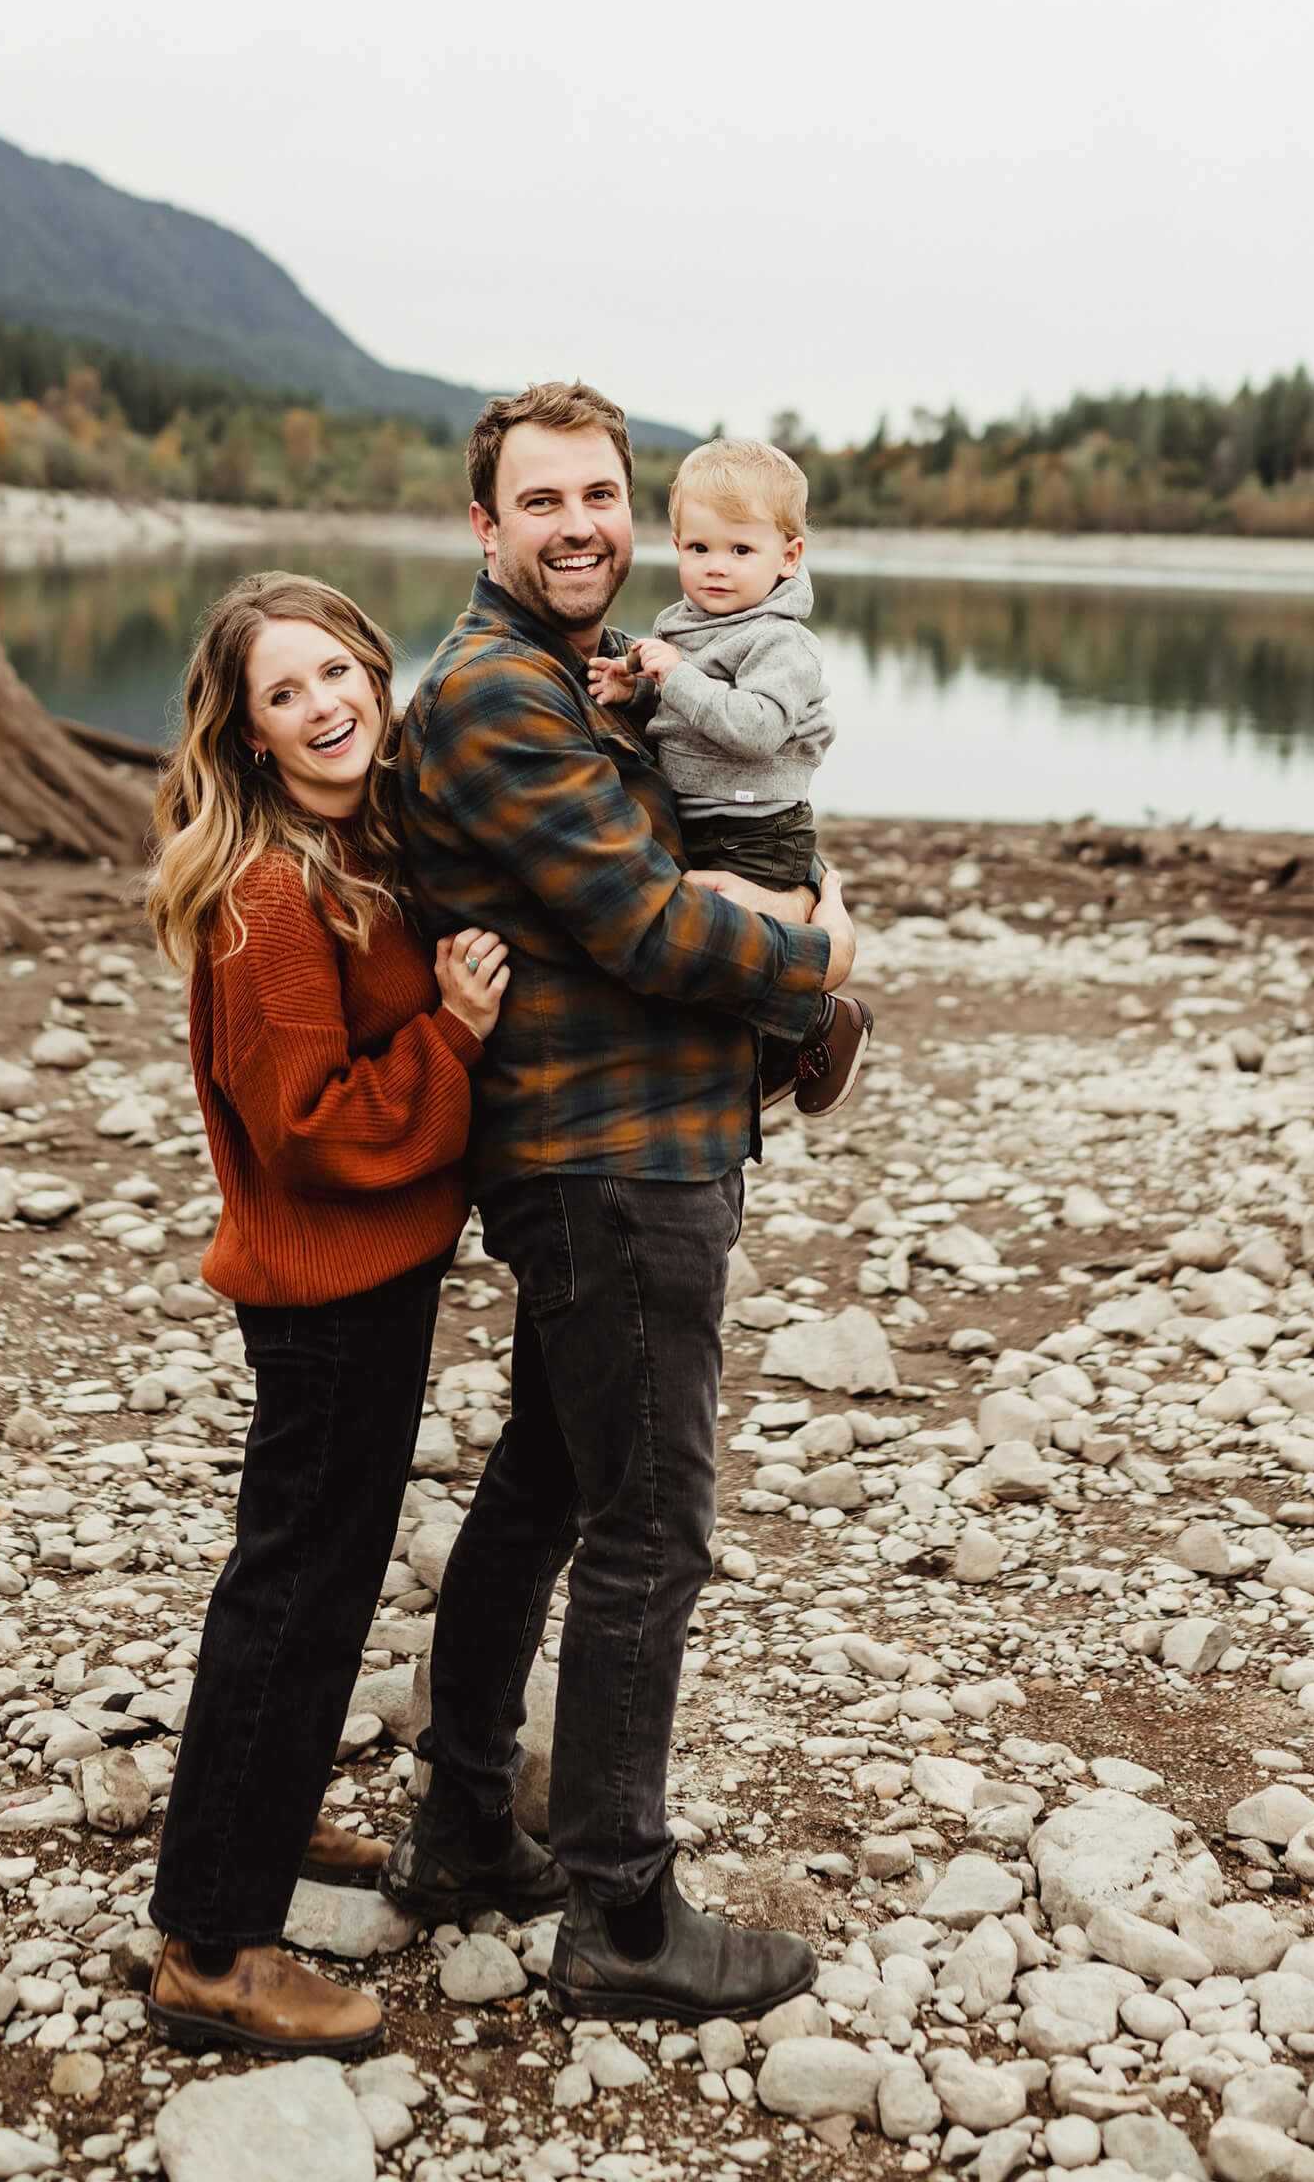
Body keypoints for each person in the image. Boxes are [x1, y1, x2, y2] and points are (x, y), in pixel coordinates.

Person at [386, 382, 858, 2022]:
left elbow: (669, 865)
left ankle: (461, 1830)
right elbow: (647, 923)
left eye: (603, 494)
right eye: (546, 501)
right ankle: (624, 1918)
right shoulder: (494, 698)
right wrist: (808, 963)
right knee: (650, 1528)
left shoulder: (572, 677)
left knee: (539, 1488)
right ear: (487, 524)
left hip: (627, 1145)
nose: (584, 525)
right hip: (613, 1162)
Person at [141, 570, 526, 2060]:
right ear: (245, 736)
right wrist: (457, 1032)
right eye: (282, 694)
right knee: (294, 1589)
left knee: (320, 1575)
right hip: (324, 1292)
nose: (322, 706)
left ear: (378, 670)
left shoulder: (350, 846)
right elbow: (312, 1126)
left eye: (336, 673)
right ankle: (211, 1949)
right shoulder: (265, 898)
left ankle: (259, 1821)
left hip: (369, 1276)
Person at [588, 433, 873, 1116]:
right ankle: (774, 1053)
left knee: (703, 933)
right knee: (698, 942)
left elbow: (751, 730)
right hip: (707, 814)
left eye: (740, 551)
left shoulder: (780, 641)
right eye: (698, 549)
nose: (715, 568)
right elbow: (689, 716)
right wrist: (639, 693)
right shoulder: (688, 625)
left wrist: (675, 678)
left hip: (756, 826)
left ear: (788, 556)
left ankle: (821, 1025)